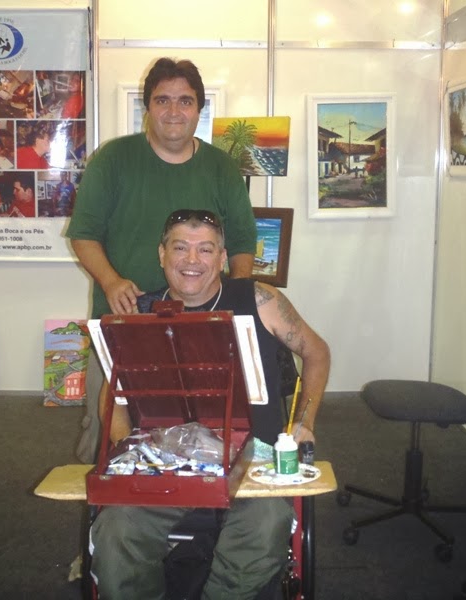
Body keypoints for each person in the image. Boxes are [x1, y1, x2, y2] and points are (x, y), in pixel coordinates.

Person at [90, 209, 330, 599]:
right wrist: (124, 444)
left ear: (222, 258)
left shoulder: (259, 300)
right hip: (166, 460)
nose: (192, 260)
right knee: (116, 529)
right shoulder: (139, 313)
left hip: (255, 459)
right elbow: (111, 391)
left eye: (205, 249)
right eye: (179, 248)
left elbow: (317, 353)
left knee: (265, 524)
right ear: (161, 254)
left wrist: (304, 423)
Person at [66, 57, 257, 462]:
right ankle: (102, 498)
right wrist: (111, 281)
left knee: (205, 423)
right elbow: (84, 234)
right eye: (162, 100)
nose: (174, 111)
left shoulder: (222, 168)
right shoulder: (113, 159)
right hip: (125, 321)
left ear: (199, 109)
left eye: (185, 101)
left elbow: (242, 242)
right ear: (148, 107)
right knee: (108, 427)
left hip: (203, 324)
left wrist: (237, 302)